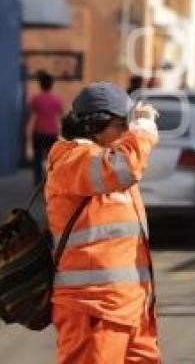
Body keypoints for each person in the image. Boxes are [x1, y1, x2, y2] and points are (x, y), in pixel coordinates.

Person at [46, 82, 160, 363]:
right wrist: (143, 131)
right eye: (122, 125)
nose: (127, 133)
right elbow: (125, 167)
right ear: (94, 127)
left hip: (132, 308)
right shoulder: (72, 159)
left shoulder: (105, 158)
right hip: (93, 310)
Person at [27, 70, 64, 185]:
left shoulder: (35, 99)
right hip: (52, 132)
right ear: (51, 85)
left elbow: (31, 114)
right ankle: (50, 182)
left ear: (40, 84)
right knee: (52, 159)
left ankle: (37, 182)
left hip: (38, 131)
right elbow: (61, 116)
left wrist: (26, 129)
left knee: (37, 158)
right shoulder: (57, 100)